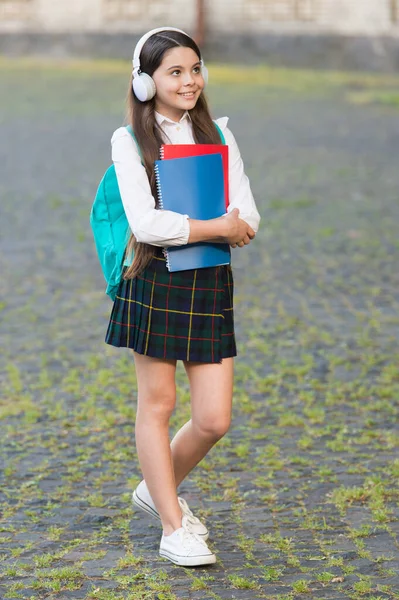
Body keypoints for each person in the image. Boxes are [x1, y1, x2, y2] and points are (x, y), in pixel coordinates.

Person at [105, 26, 261, 567]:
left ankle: (156, 487)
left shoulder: (219, 133)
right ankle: (173, 526)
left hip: (209, 279)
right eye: (175, 71)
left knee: (215, 418)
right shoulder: (128, 141)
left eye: (195, 69)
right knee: (159, 404)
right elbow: (146, 224)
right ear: (146, 82)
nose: (189, 80)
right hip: (155, 280)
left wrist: (220, 227)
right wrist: (217, 225)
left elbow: (249, 214)